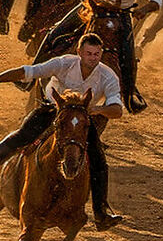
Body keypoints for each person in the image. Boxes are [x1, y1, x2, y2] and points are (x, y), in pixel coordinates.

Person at [0, 32, 128, 228]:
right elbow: (29, 71)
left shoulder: (107, 75)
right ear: (79, 52)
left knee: (98, 161)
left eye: (96, 54)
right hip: (53, 110)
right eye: (89, 53)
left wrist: (99, 109)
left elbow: (117, 110)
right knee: (20, 137)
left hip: (81, 118)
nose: (93, 58)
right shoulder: (63, 63)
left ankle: (101, 213)